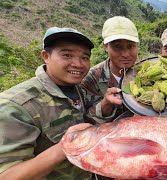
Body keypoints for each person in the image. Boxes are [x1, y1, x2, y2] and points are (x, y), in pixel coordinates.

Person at [0, 27, 115, 179]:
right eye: (67, 55)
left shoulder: (75, 88)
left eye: (85, 58)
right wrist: (63, 148)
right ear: (45, 56)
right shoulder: (16, 106)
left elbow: (81, 122)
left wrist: (106, 105)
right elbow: (8, 175)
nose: (78, 64)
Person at [81, 16, 139, 123]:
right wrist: (105, 105)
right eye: (117, 46)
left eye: (130, 46)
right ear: (105, 46)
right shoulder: (91, 79)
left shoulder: (147, 72)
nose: (125, 54)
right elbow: (85, 121)